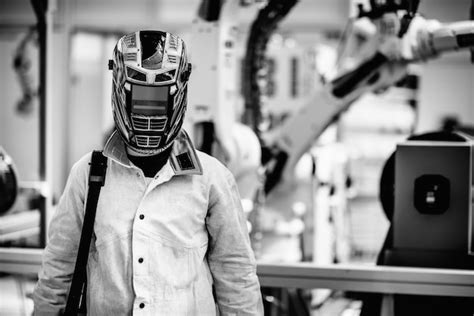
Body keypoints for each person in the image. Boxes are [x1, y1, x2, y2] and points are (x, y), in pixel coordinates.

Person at [33, 30, 263, 315]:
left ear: (178, 93)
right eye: (140, 96)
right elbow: (58, 271)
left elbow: (236, 276)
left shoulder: (211, 178)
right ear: (119, 89)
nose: (149, 115)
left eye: (159, 98)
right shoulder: (89, 174)